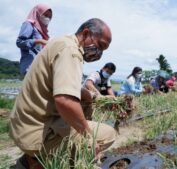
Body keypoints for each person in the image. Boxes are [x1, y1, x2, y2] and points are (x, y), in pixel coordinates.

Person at [9, 18, 116, 168]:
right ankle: (38, 160)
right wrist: (88, 139)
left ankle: (39, 157)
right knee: (108, 134)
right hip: (35, 133)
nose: (99, 53)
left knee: (84, 101)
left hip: (24, 126)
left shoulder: (62, 42)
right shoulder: (71, 51)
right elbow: (65, 100)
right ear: (86, 33)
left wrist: (92, 96)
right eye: (100, 46)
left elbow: (68, 88)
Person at [16, 4, 52, 76]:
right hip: (30, 67)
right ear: (38, 13)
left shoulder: (42, 32)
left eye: (49, 17)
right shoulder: (29, 24)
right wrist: (38, 41)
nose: (47, 18)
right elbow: (19, 42)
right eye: (45, 15)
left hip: (40, 68)